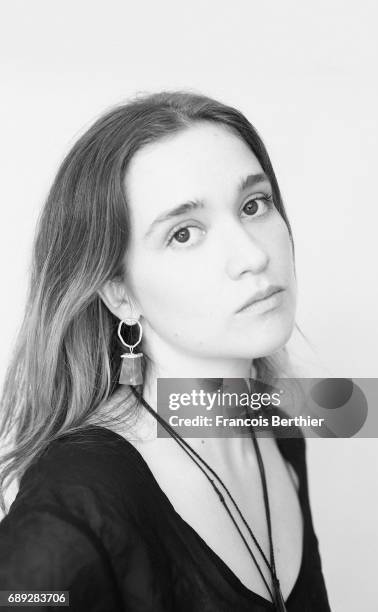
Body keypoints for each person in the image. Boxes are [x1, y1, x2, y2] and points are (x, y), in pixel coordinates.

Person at [0, 91, 331, 611]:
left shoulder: (279, 424)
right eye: (183, 233)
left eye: (254, 205)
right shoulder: (75, 504)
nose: (252, 254)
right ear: (120, 294)